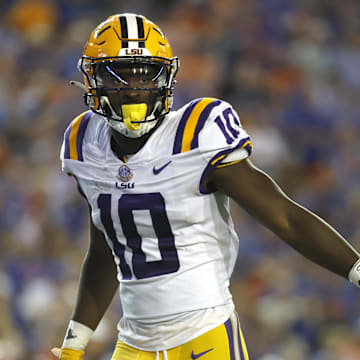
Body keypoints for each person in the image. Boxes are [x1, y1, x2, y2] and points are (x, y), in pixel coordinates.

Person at [52, 13, 360, 360]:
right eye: (121, 76)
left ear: (166, 77)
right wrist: (75, 343)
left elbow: (284, 215)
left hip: (205, 334)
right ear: (94, 80)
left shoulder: (197, 134)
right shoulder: (84, 144)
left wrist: (356, 268)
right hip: (134, 342)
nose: (135, 88)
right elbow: (107, 246)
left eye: (146, 74)